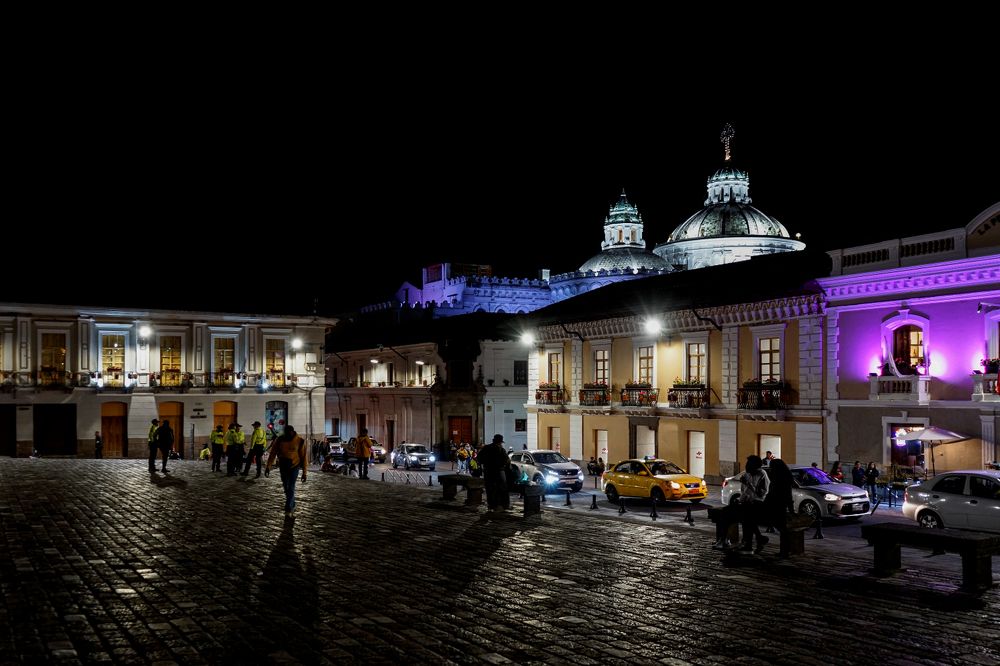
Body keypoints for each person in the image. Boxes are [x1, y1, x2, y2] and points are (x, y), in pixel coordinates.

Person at [265, 425, 307, 518]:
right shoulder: (279, 440)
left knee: (291, 487)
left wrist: (304, 473)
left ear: (292, 432)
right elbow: (273, 453)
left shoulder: (299, 441)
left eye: (288, 432)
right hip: (283, 466)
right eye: (285, 432)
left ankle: (288, 508)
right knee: (286, 487)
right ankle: (292, 503)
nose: (287, 434)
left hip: (294, 466)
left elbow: (304, 457)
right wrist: (268, 466)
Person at [738, 454, 770, 553]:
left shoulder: (762, 474)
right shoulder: (746, 475)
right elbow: (744, 491)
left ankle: (749, 543)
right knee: (745, 517)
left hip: (758, 503)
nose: (746, 466)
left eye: (749, 464)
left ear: (755, 466)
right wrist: (740, 499)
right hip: (747, 503)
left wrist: (749, 484)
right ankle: (757, 538)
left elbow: (762, 493)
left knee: (747, 518)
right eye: (747, 464)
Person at [763, 459, 794, 557]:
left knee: (782, 528)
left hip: (776, 505)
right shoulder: (786, 478)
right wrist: (791, 509)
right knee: (782, 528)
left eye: (771, 467)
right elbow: (789, 496)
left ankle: (784, 551)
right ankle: (785, 550)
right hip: (781, 505)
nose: (770, 469)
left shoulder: (777, 479)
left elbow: (773, 493)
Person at [478, 434, 511, 512]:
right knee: (501, 488)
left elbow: (479, 458)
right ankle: (500, 505)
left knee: (490, 489)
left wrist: (485, 464)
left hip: (488, 471)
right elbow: (507, 460)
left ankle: (491, 505)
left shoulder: (486, 448)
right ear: (500, 442)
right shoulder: (501, 449)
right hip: (499, 471)